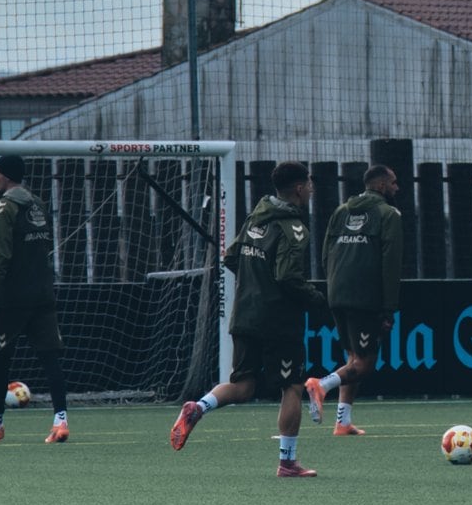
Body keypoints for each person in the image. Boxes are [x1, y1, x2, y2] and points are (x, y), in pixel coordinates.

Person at [171, 160, 321, 476]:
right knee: (292, 386)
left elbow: (231, 258)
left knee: (242, 385)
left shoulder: (256, 217)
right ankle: (288, 463)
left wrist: (255, 284)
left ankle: (198, 406)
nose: (311, 189)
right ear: (298, 188)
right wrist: (318, 300)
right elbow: (287, 277)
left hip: (244, 315)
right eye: (309, 184)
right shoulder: (293, 229)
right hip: (278, 321)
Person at [0, 152, 68, 442]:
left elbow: (0, 254)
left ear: (6, 175)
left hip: (13, 296)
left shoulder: (5, 207)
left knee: (0, 357)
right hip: (43, 292)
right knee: (50, 357)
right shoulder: (37, 203)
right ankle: (61, 420)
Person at [318, 163, 411, 438]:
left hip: (337, 293)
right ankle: (321, 386)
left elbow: (325, 254)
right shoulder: (389, 214)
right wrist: (388, 309)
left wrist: (335, 284)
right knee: (364, 364)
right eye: (393, 183)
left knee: (353, 358)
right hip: (366, 297)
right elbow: (391, 264)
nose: (397, 188)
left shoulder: (340, 211)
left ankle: (343, 422)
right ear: (381, 185)